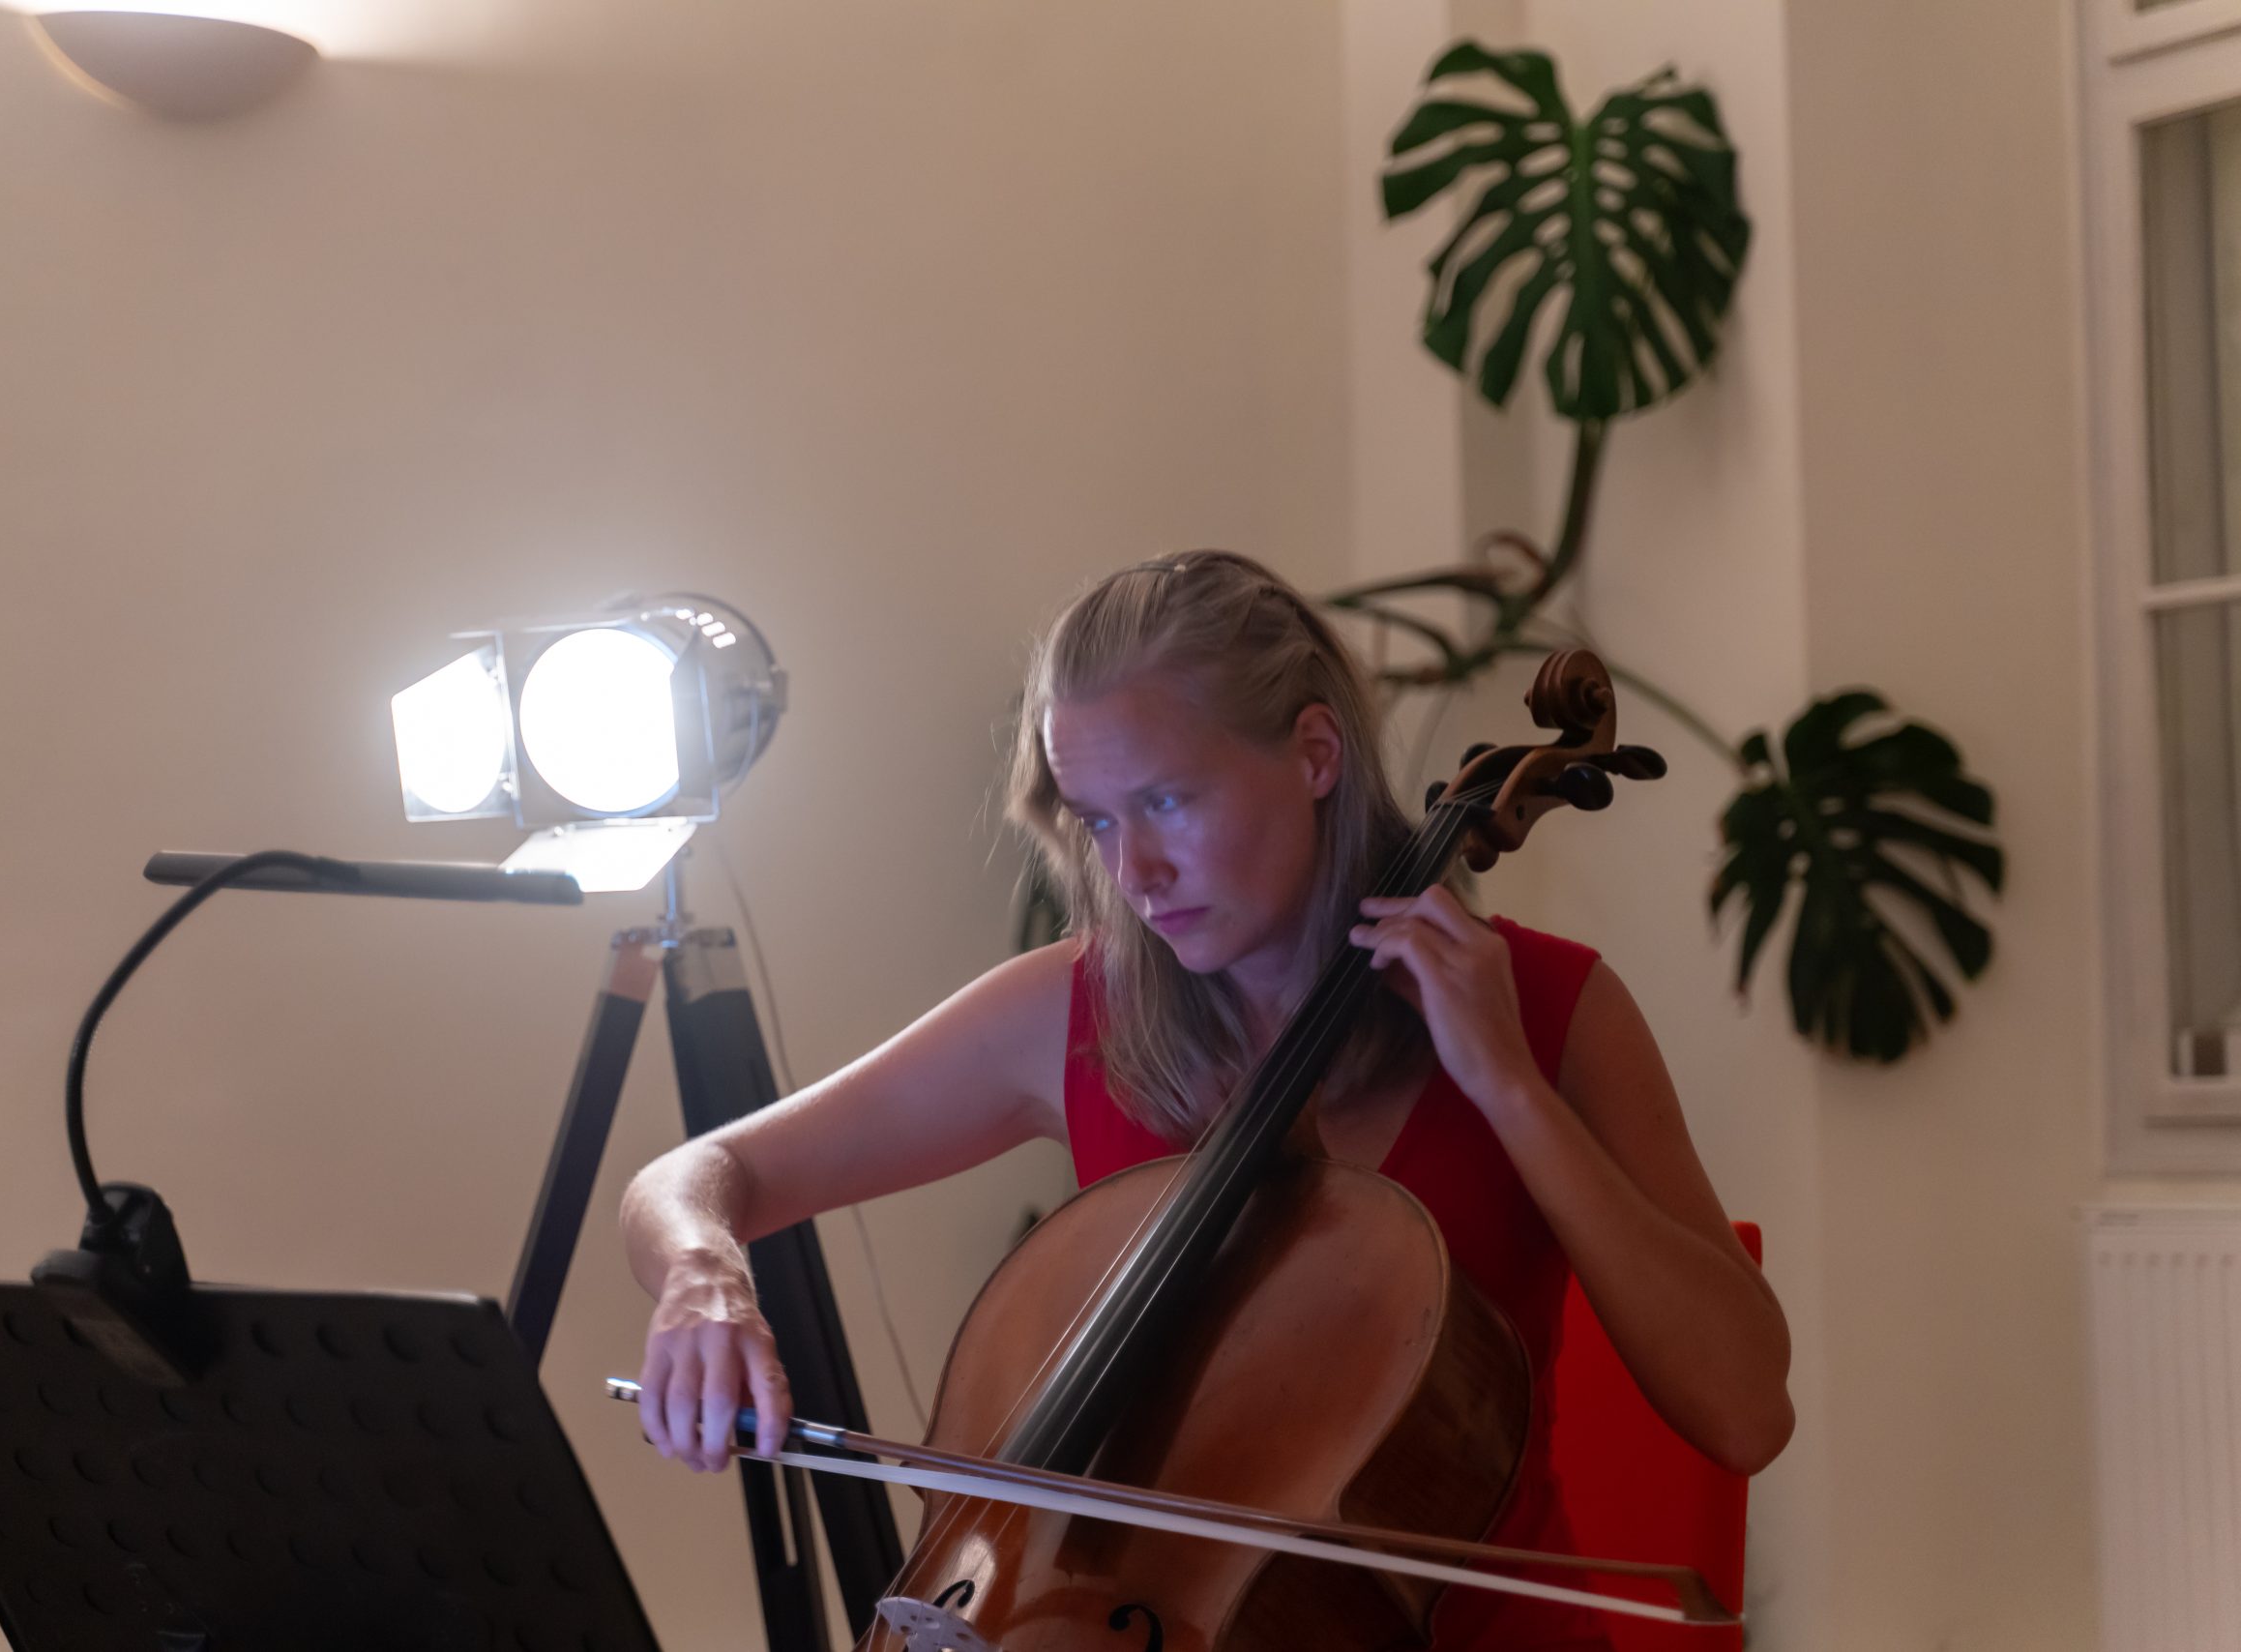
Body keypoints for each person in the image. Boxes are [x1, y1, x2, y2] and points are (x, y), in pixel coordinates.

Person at [620, 549, 1794, 1649]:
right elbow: (696, 1178)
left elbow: (1745, 1412)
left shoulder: (1545, 1006)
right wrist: (701, 1274)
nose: (1133, 874)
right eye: (1097, 819)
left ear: (1316, 753)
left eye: (1169, 801)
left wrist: (1509, 1088)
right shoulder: (1076, 1010)